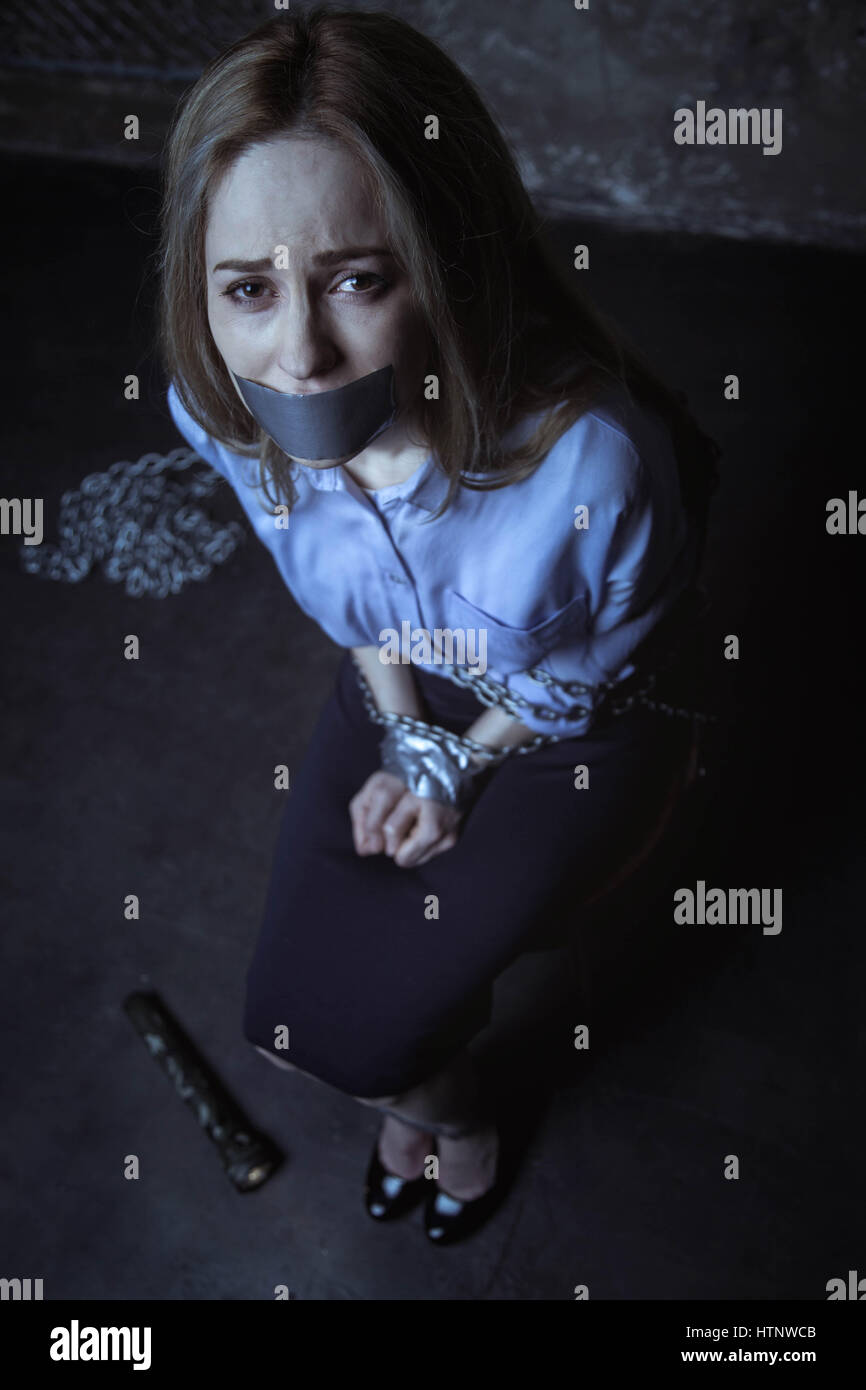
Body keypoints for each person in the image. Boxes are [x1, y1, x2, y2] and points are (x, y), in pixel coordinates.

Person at [158, 6, 721, 1245]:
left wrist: (461, 763)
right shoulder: (226, 405)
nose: (296, 353)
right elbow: (353, 603)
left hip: (573, 723)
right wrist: (404, 730)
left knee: (365, 1030)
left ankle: (451, 1122)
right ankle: (435, 1098)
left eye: (356, 279)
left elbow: (590, 673)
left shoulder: (595, 471)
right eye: (247, 288)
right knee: (301, 1024)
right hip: (404, 691)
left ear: (449, 258)